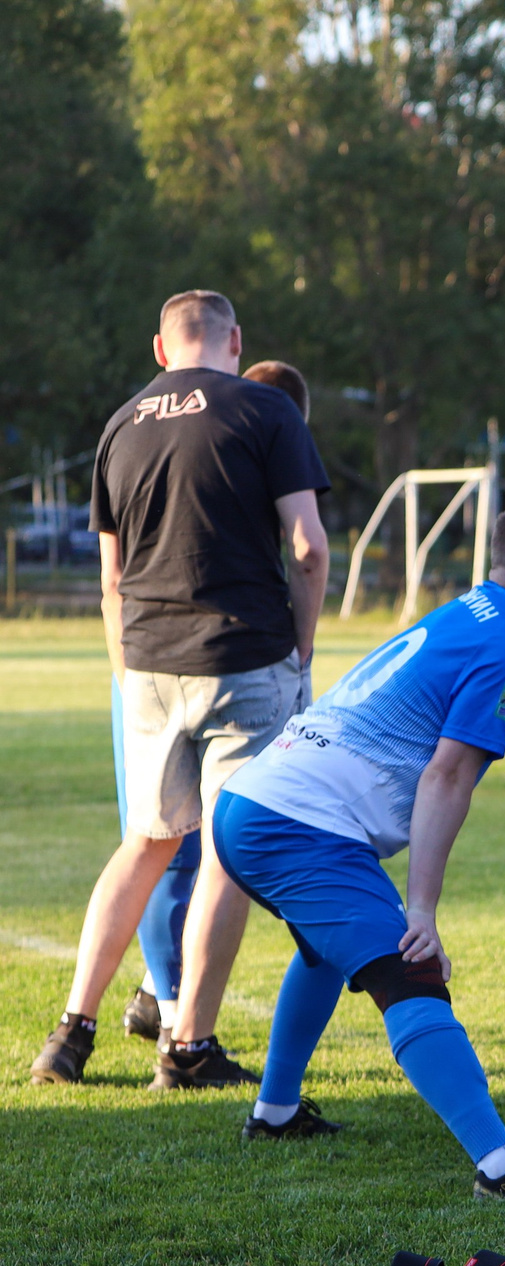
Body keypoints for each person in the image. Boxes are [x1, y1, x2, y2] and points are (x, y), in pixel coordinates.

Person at [215, 500, 505, 1199]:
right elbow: (448, 774)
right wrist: (420, 910)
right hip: (294, 823)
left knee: (324, 950)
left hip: (261, 801)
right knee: (410, 969)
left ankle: (274, 1114)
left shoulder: (484, 608)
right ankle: (503, 1168)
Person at [33, 291, 330, 1090]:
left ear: (160, 350)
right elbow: (306, 547)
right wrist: (302, 650)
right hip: (243, 655)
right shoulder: (266, 409)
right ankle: (187, 1046)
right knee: (226, 859)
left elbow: (112, 579)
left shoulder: (119, 425)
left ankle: (71, 1033)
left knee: (146, 843)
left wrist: (124, 669)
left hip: (146, 662)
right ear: (236, 340)